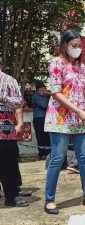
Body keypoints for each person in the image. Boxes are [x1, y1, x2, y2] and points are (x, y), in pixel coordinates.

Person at [43, 30, 85, 214]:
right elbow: (56, 93)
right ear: (65, 45)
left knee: (83, 158)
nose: (77, 49)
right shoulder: (56, 63)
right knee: (58, 158)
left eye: (80, 45)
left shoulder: (80, 67)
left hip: (80, 117)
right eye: (74, 45)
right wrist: (79, 111)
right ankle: (49, 200)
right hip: (60, 118)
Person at [0, 67, 29, 207]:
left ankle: (11, 196)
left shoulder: (9, 80)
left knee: (8, 163)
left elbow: (18, 102)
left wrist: (2, 98)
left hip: (4, 128)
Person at [32, 82, 51, 160]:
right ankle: (42, 153)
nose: (44, 91)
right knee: (41, 136)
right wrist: (49, 96)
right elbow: (44, 105)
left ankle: (48, 153)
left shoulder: (45, 97)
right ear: (38, 90)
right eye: (42, 90)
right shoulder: (36, 96)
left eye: (44, 89)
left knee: (47, 137)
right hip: (39, 118)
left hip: (45, 118)